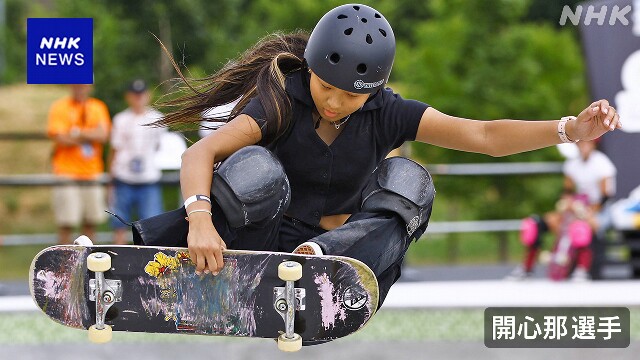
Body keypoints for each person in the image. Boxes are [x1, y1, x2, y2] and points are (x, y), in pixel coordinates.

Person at [131, 4, 621, 317]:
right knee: (254, 165)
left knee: (410, 180)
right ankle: (229, 265)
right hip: (259, 241)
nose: (335, 103)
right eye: (326, 87)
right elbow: (202, 151)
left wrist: (570, 129)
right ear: (313, 70)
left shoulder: (389, 113)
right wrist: (198, 219)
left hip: (342, 255)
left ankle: (323, 269)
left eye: (352, 96)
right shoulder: (282, 98)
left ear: (375, 91)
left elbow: (484, 135)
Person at [509, 138, 617, 281]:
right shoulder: (572, 164)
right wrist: (566, 205)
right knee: (533, 225)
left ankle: (582, 270)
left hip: (599, 209)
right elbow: (567, 191)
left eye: (587, 143)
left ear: (593, 145)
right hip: (577, 206)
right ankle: (527, 267)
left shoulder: (602, 164)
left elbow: (606, 196)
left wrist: (587, 212)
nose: (584, 147)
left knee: (581, 228)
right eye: (581, 143)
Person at [47, 84, 111, 244]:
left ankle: (86, 264)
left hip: (92, 172)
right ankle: (63, 266)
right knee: (66, 222)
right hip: (66, 172)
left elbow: (103, 135)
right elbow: (60, 138)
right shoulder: (60, 107)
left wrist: (76, 132)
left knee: (91, 221)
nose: (80, 88)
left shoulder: (98, 107)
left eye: (83, 85)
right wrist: (90, 133)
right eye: (77, 85)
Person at [109, 79, 168, 244]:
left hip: (148, 178)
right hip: (124, 177)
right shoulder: (121, 119)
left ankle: (150, 264)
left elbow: (161, 147)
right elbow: (115, 149)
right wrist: (111, 178)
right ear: (128, 97)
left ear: (147, 95)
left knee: (153, 225)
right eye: (135, 95)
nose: (138, 98)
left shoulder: (158, 119)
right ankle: (118, 261)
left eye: (141, 95)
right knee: (119, 223)